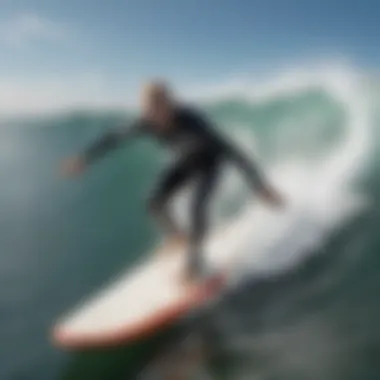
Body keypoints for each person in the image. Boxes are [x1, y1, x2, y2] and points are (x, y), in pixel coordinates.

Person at [62, 81, 285, 284]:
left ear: (171, 105)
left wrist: (259, 185)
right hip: (185, 160)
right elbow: (114, 138)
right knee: (153, 202)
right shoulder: (145, 122)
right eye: (150, 111)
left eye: (160, 109)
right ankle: (178, 237)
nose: (156, 117)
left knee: (196, 208)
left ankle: (196, 263)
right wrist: (85, 158)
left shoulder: (191, 121)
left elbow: (231, 150)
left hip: (209, 163)